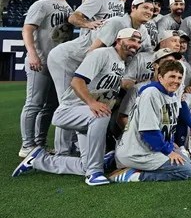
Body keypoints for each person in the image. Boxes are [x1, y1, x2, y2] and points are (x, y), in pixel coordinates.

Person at [13, 28, 142, 186]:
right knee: (102, 113)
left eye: (138, 41)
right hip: (69, 110)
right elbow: (76, 82)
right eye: (132, 39)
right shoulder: (101, 54)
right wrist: (92, 103)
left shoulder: (120, 62)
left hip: (87, 115)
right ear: (119, 40)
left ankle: (39, 159)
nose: (136, 44)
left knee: (85, 165)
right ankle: (94, 172)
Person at [106, 59, 191, 183]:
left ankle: (120, 162)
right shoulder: (151, 93)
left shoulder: (172, 96)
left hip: (151, 149)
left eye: (179, 77)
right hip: (137, 153)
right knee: (187, 170)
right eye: (172, 76)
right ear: (160, 77)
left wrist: (171, 147)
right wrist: (168, 152)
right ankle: (132, 175)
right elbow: (149, 131)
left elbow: (167, 129)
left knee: (187, 161)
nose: (176, 81)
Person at [19, 0, 73, 157]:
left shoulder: (69, 8)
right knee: (34, 104)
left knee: (50, 106)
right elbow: (27, 30)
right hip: (40, 61)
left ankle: (39, 144)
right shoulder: (42, 4)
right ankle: (27, 145)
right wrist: (32, 54)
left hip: (58, 64)